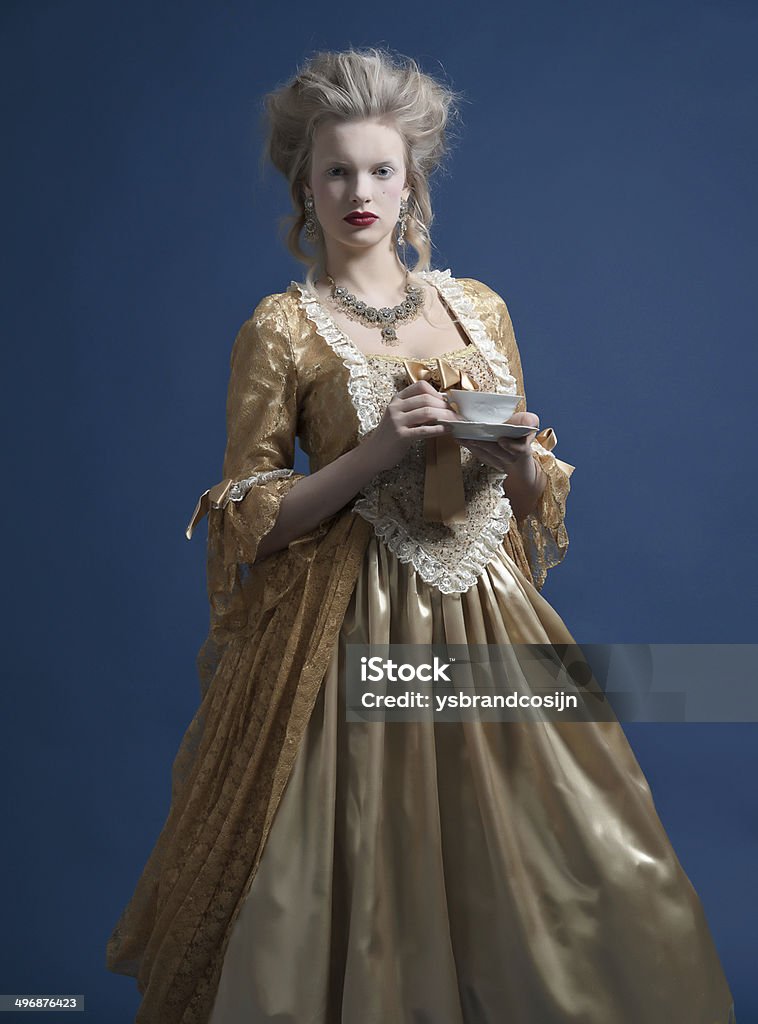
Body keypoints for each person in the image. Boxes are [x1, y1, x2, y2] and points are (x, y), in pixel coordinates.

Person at [106, 47, 736, 1024]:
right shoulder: (281, 329)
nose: (359, 191)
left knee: (576, 862)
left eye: (380, 170)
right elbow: (247, 520)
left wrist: (508, 454)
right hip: (345, 637)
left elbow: (533, 496)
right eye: (336, 171)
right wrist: (368, 456)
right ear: (304, 186)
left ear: (412, 182)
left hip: (491, 617)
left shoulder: (476, 306)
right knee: (362, 889)